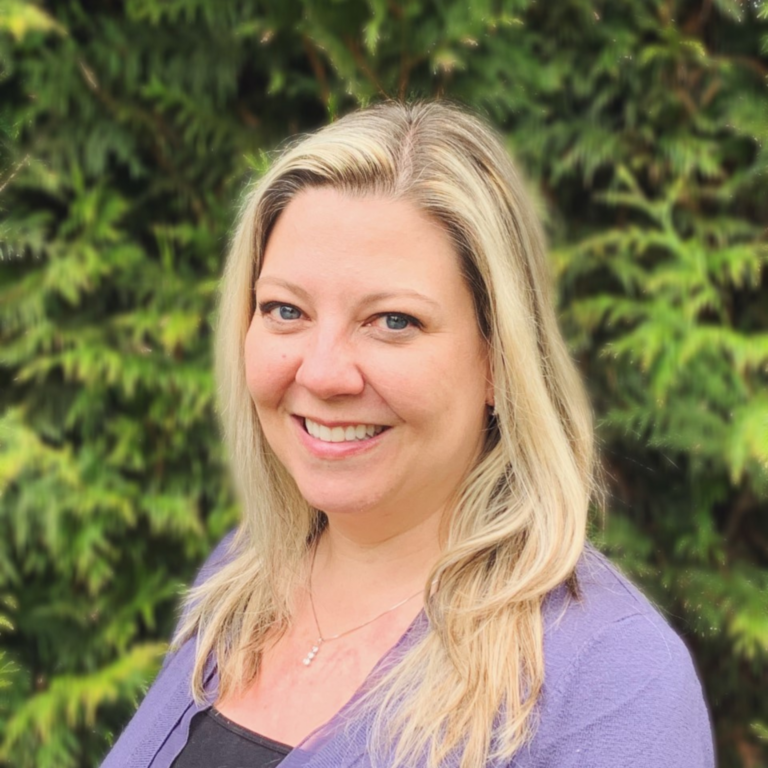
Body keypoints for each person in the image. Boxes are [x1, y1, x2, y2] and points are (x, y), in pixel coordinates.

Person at [100, 101, 714, 768]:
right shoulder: (242, 578)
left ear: (497, 360)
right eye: (285, 310)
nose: (325, 371)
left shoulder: (609, 682)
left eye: (392, 321)